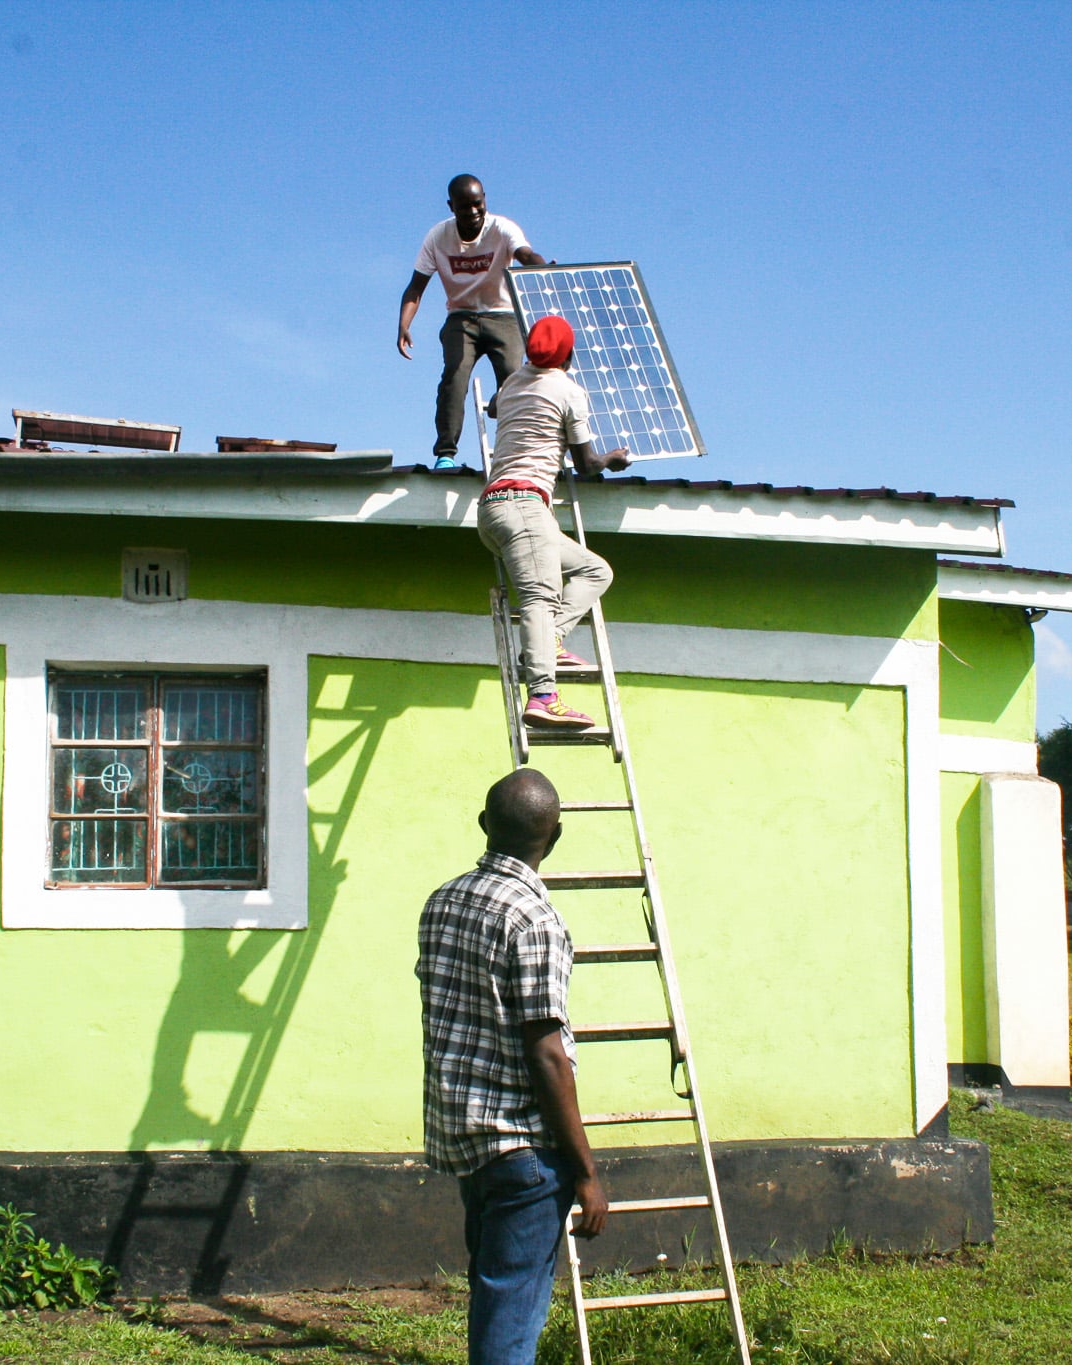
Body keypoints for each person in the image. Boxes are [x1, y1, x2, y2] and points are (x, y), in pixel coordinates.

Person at [417, 768, 607, 1365]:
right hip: (525, 1150)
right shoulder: (534, 919)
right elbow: (546, 1053)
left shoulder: (442, 901)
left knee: (494, 1295)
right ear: (554, 839)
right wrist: (586, 1172)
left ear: (483, 824)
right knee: (511, 1315)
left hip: (464, 1138)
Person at [479, 314, 631, 730]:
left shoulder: (511, 383)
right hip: (526, 506)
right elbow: (586, 465)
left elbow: (493, 408)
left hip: (496, 510)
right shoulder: (569, 391)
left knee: (594, 570)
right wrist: (612, 460)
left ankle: (549, 641)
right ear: (569, 354)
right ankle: (543, 695)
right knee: (540, 599)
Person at [399, 174, 553, 470]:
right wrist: (404, 324)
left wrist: (542, 267)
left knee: (513, 379)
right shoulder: (437, 237)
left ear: (484, 200)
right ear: (451, 207)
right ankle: (446, 452)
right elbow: (416, 287)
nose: (472, 213)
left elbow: (525, 254)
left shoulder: (502, 228)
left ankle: (517, 449)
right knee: (454, 377)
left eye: (478, 204)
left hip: (503, 315)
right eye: (464, 207)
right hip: (461, 318)